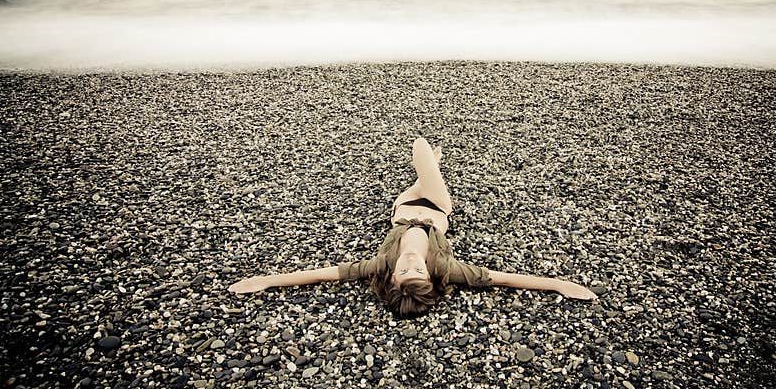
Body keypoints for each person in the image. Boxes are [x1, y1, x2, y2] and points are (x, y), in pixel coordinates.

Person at [229, 137, 596, 317]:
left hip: (402, 205)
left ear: (391, 280)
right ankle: (431, 167)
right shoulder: (446, 270)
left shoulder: (379, 267)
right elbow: (505, 278)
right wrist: (558, 285)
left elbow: (322, 274)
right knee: (421, 149)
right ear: (427, 272)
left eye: (402, 271)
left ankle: (430, 168)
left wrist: (267, 281)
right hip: (438, 207)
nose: (408, 263)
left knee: (422, 160)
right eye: (414, 268)